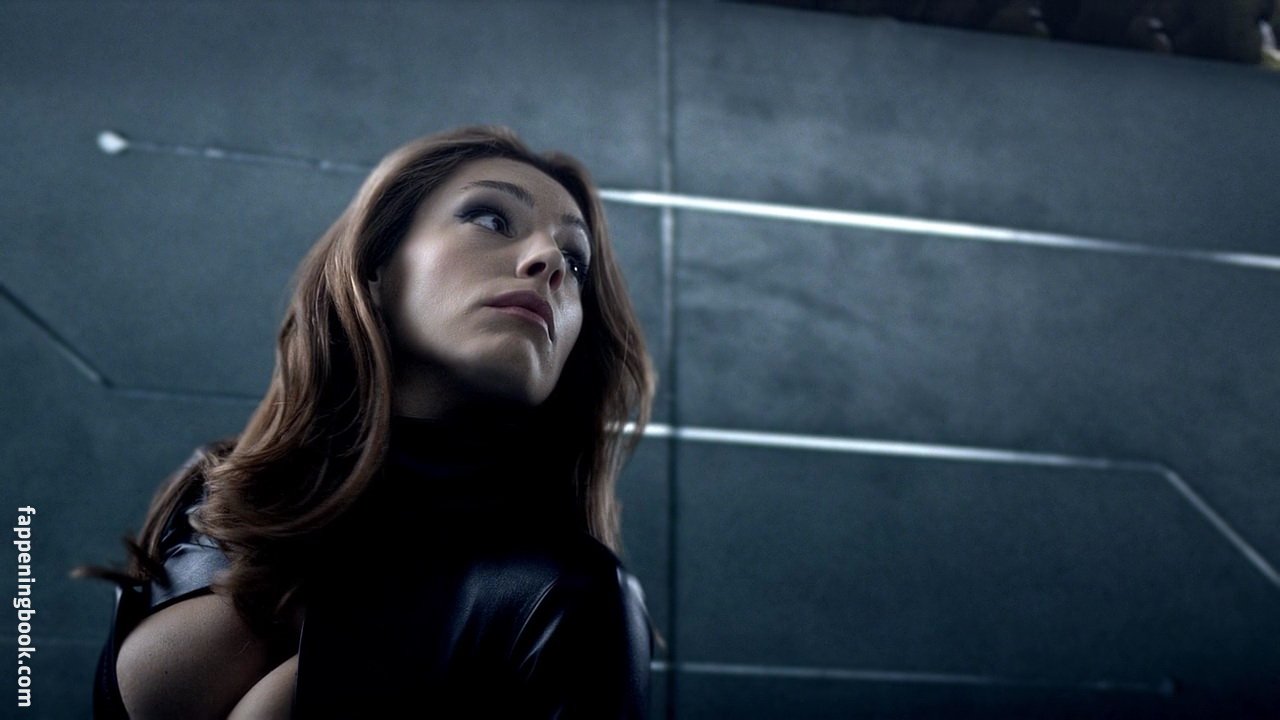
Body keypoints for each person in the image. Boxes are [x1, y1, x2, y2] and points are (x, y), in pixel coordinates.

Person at [82, 125, 657, 718]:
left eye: (576, 261)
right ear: (377, 265)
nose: (550, 262)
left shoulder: (564, 594)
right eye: (491, 218)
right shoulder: (227, 489)